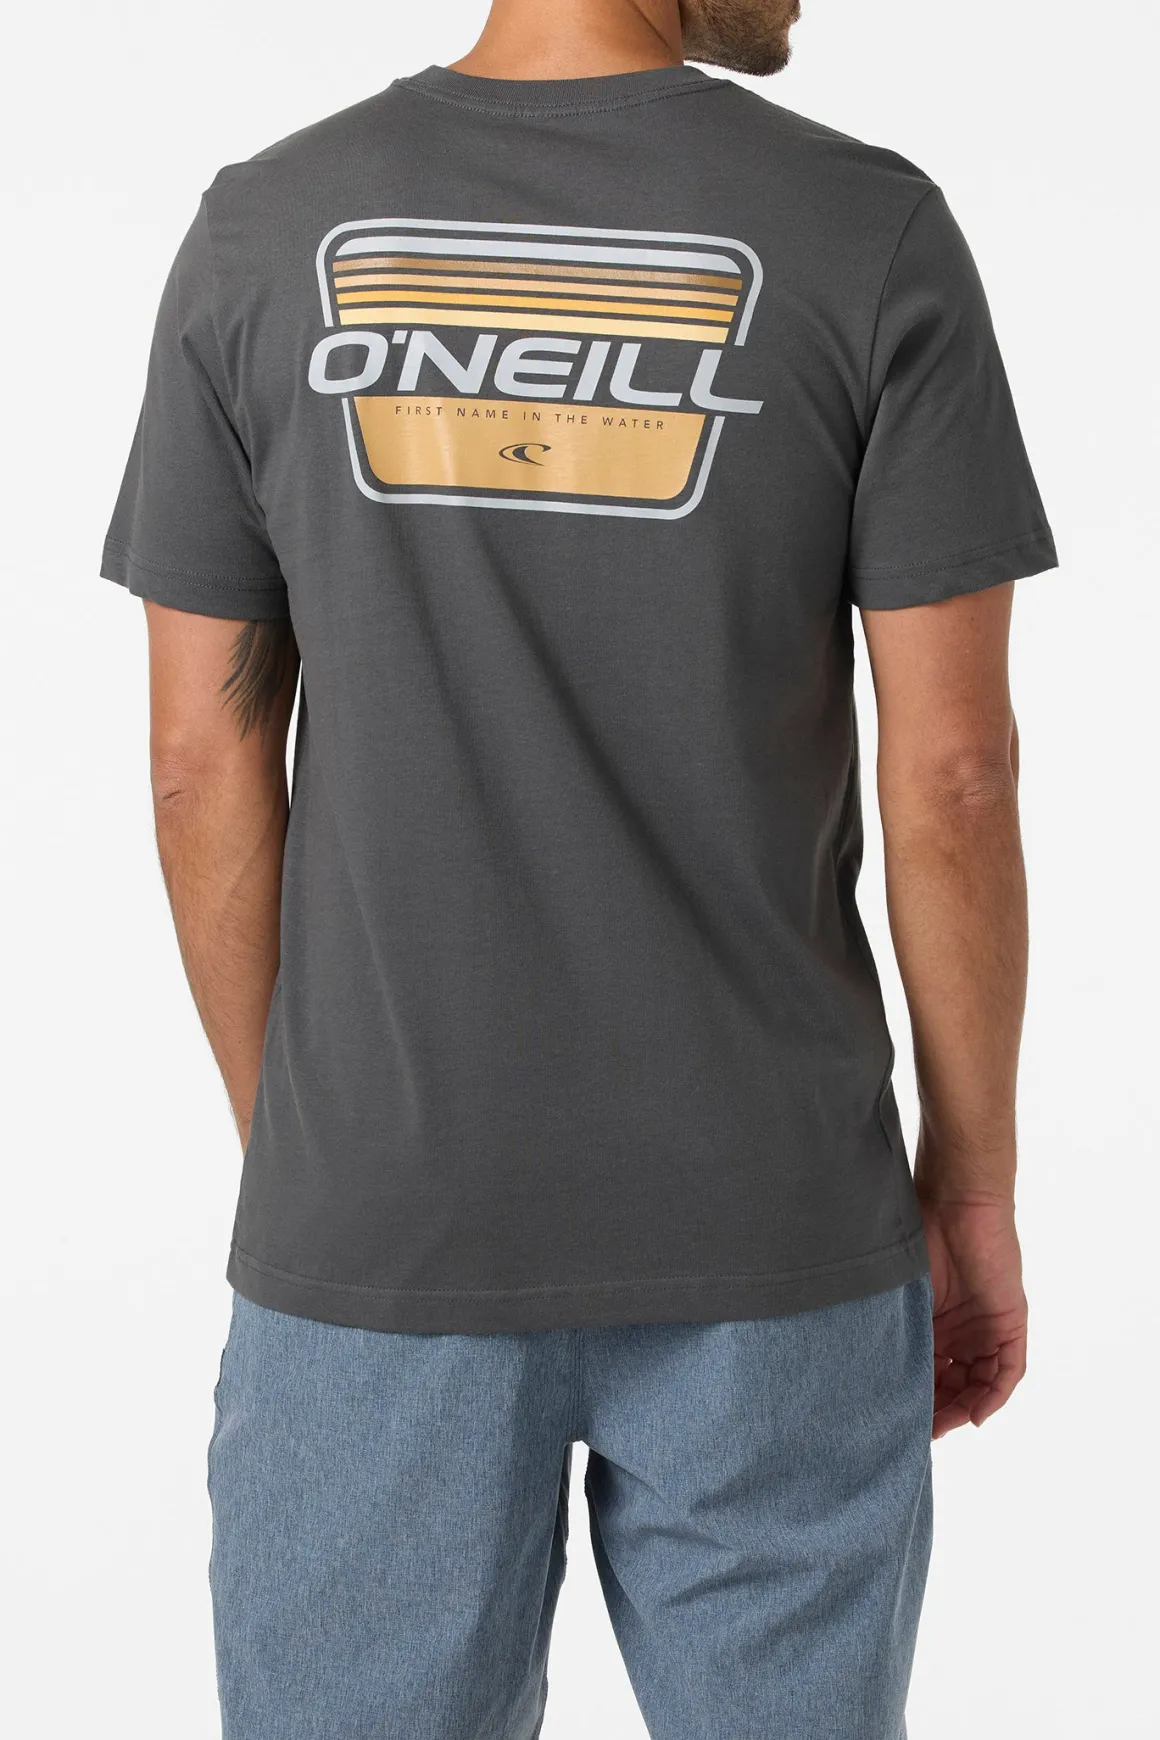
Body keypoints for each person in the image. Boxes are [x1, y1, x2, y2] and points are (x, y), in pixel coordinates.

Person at [101, 0, 1056, 1733]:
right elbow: (955, 774)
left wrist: (329, 1155)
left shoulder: (267, 228)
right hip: (775, 1223)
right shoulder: (865, 231)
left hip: (385, 1223)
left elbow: (197, 759)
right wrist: (973, 1190)